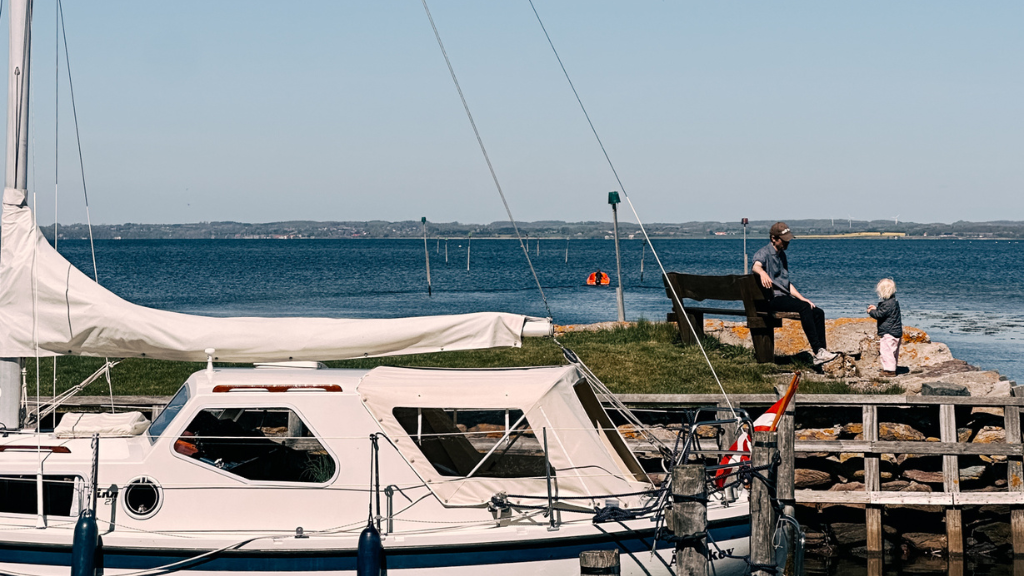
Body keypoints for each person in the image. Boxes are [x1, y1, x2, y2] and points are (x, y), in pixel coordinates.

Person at [752, 222, 838, 365]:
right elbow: (756, 265)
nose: (787, 242)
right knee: (804, 307)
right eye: (784, 240)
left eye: (788, 239)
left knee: (817, 311)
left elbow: (786, 284)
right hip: (771, 299)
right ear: (774, 239)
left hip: (782, 297)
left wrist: (803, 299)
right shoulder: (764, 252)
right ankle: (817, 351)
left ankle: (822, 351)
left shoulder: (782, 255)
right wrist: (762, 273)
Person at [867, 278, 902, 376]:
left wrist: (871, 311)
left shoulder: (887, 304)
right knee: (893, 351)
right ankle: (893, 367)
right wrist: (876, 308)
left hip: (888, 332)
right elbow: (884, 312)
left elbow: (879, 314)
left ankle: (889, 370)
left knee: (886, 351)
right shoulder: (893, 302)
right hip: (895, 331)